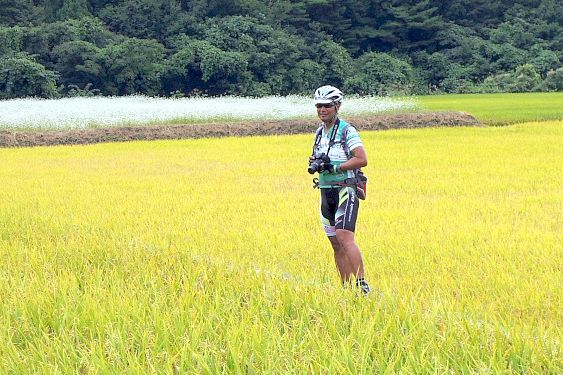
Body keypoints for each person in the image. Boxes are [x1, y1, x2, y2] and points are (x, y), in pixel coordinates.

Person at [308, 85, 371, 295]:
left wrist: (336, 166)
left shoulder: (347, 130)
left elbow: (361, 159)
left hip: (345, 189)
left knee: (345, 238)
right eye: (319, 106)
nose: (322, 110)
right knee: (335, 243)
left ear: (337, 106)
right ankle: (346, 289)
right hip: (326, 191)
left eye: (327, 106)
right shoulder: (319, 133)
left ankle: (362, 285)